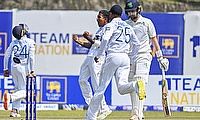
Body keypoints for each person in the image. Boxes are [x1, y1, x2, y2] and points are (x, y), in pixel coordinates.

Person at [86, 5, 142, 120]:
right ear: (121, 15)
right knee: (122, 88)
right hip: (125, 57)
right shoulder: (128, 26)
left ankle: (90, 117)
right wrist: (131, 58)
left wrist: (99, 54)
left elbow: (105, 39)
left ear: (111, 14)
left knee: (101, 87)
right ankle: (135, 85)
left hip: (113, 55)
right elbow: (137, 44)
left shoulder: (111, 25)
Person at [124, 0, 169, 120]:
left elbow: (154, 40)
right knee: (132, 84)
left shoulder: (147, 22)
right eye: (129, 12)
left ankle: (136, 113)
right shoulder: (126, 24)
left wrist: (161, 57)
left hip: (144, 54)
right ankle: (137, 111)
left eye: (133, 11)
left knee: (140, 81)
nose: (131, 14)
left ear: (138, 10)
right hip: (130, 56)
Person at [72, 10, 112, 119]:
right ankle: (92, 104)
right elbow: (92, 45)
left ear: (105, 19)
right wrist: (79, 42)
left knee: (96, 84)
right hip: (90, 56)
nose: (97, 19)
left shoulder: (108, 29)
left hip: (97, 58)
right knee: (82, 79)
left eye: (99, 17)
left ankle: (104, 108)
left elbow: (100, 45)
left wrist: (87, 37)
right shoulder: (99, 29)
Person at [3, 24, 35, 117]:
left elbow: (6, 55)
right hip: (23, 67)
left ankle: (14, 111)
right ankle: (10, 97)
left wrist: (5, 69)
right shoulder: (30, 42)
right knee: (25, 92)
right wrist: (32, 70)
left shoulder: (13, 42)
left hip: (14, 67)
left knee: (18, 89)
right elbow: (32, 57)